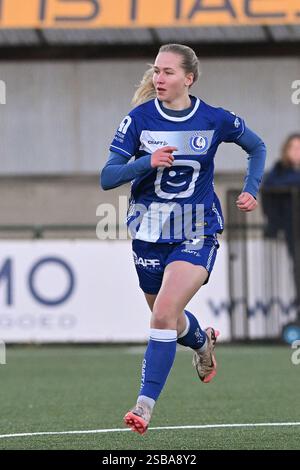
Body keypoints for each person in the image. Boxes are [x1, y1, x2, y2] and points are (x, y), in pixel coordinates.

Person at [100, 43, 266, 435]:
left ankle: (143, 406)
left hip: (197, 227)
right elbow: (108, 177)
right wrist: (146, 161)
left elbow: (256, 146)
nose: (159, 78)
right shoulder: (138, 119)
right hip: (148, 231)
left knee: (161, 314)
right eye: (156, 71)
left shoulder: (214, 118)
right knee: (168, 319)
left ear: (188, 78)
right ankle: (202, 341)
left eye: (168, 72)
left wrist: (251, 188)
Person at [262, 134, 300, 320]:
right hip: (294, 231)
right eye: (293, 148)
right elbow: (269, 188)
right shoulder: (278, 171)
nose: (297, 153)